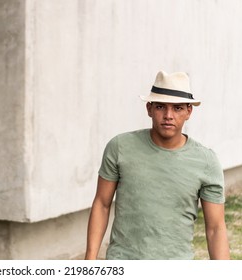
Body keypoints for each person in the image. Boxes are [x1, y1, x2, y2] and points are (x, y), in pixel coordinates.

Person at [85, 71, 230, 260]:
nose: (168, 115)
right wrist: (90, 260)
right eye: (161, 106)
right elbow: (102, 204)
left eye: (177, 108)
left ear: (188, 111)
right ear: (149, 109)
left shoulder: (206, 162)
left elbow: (215, 228)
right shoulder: (120, 147)